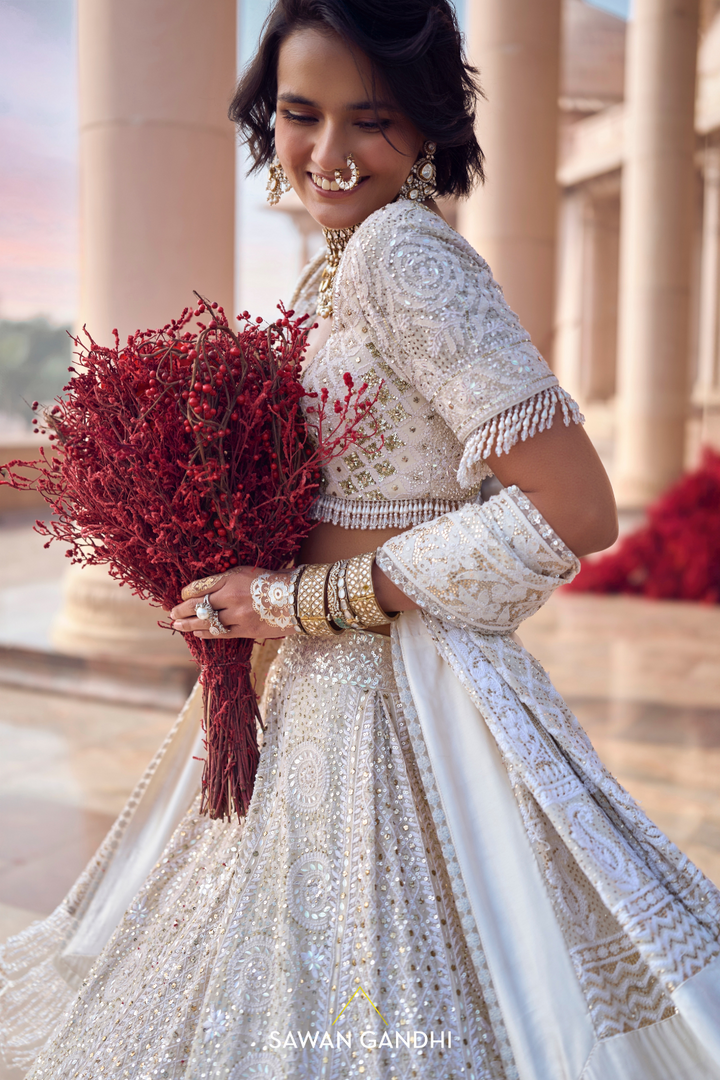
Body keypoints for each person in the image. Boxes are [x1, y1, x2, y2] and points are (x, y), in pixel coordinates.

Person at [2, 1, 720, 1078]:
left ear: (427, 124)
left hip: (401, 685)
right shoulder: (338, 261)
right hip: (330, 678)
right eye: (300, 115)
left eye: (369, 120)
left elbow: (576, 507)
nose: (328, 156)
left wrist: (300, 602)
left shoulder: (404, 257)